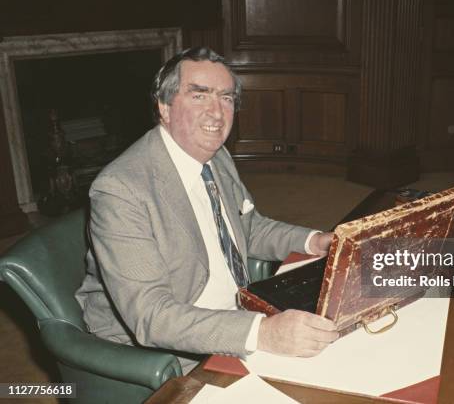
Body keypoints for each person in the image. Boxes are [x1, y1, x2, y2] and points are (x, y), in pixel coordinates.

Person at [75, 47, 339, 373]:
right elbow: (151, 317)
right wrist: (262, 333)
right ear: (165, 107)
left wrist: (314, 241)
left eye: (226, 98)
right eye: (199, 96)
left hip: (237, 311)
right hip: (165, 347)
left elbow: (246, 227)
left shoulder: (216, 156)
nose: (217, 113)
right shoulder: (121, 190)